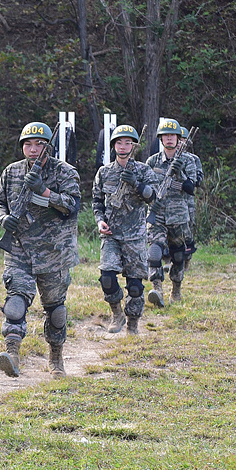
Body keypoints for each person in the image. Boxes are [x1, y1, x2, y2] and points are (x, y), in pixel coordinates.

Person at [0, 121, 81, 378]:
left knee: (56, 311)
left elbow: (72, 205)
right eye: (28, 145)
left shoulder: (65, 172)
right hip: (19, 249)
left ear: (48, 147)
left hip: (54, 251)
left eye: (39, 145)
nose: (33, 150)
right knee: (15, 303)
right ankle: (12, 353)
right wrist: (2, 218)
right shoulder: (11, 172)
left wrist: (43, 191)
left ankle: (56, 358)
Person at [91, 124, 156, 335]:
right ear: (113, 146)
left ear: (134, 145)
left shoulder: (144, 170)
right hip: (111, 236)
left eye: (128, 142)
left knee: (135, 287)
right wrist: (100, 221)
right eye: (119, 142)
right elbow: (96, 201)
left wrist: (136, 184)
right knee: (107, 278)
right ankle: (116, 313)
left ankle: (133, 323)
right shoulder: (104, 172)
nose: (123, 146)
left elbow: (153, 196)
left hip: (135, 236)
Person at [145, 118, 198, 307]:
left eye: (172, 135)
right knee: (154, 251)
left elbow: (192, 187)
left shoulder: (189, 161)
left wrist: (179, 172)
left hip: (178, 215)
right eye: (165, 135)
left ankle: (176, 289)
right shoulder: (152, 161)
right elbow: (147, 186)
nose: (169, 139)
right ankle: (157, 288)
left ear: (178, 138)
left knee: (177, 256)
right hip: (157, 213)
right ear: (161, 138)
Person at [180, 126, 203, 265]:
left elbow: (198, 181)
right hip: (169, 201)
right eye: (179, 139)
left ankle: (186, 258)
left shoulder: (193, 159)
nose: (181, 142)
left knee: (187, 228)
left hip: (187, 200)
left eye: (183, 139)